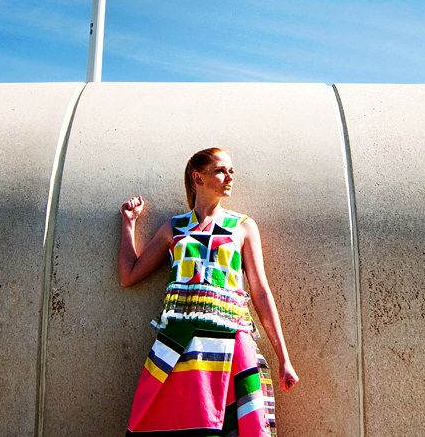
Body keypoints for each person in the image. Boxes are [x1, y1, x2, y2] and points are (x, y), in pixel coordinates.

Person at [119, 147, 298, 436]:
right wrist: (129, 224)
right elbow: (129, 276)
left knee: (243, 427)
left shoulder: (242, 227)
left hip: (232, 341)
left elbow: (261, 293)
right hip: (180, 344)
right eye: (220, 171)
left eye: (231, 172)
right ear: (197, 177)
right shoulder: (174, 228)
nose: (229, 177)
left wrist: (284, 359)